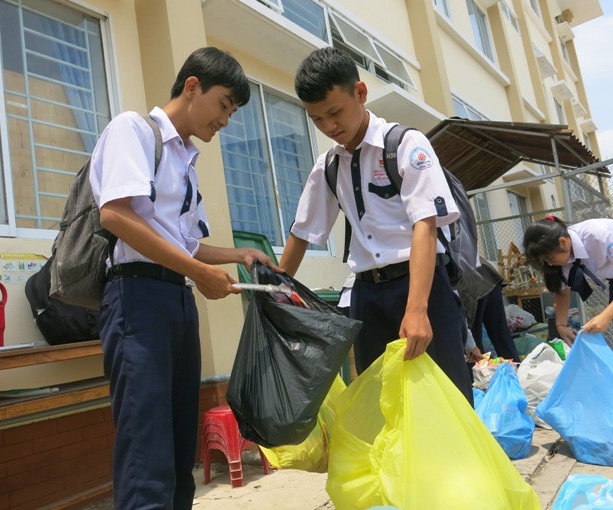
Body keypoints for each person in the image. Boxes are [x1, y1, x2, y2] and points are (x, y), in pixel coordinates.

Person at [89, 47, 278, 509]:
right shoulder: (133, 130)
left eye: (232, 112)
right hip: (136, 298)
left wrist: (237, 255)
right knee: (146, 447)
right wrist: (198, 272)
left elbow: (184, 243)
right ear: (192, 86)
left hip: (176, 298)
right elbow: (115, 215)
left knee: (177, 452)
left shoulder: (186, 161)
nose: (225, 121)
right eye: (223, 105)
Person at [279, 47, 473, 404]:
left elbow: (425, 226)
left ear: (361, 93)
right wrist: (275, 292)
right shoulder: (329, 166)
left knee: (446, 394)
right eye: (317, 119)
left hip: (421, 287)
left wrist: (417, 309)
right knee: (383, 401)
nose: (329, 126)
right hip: (367, 295)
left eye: (335, 112)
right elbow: (302, 233)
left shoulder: (404, 145)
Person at [523, 215, 613, 371]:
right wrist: (561, 326)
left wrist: (604, 317)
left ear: (563, 242)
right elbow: (561, 292)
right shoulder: (562, 256)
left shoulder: (598, 234)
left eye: (549, 257)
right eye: (544, 261)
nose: (549, 263)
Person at [469, 257, 521, 360]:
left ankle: (479, 373)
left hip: (470, 285)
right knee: (501, 333)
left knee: (473, 340)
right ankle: (514, 368)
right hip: (489, 277)